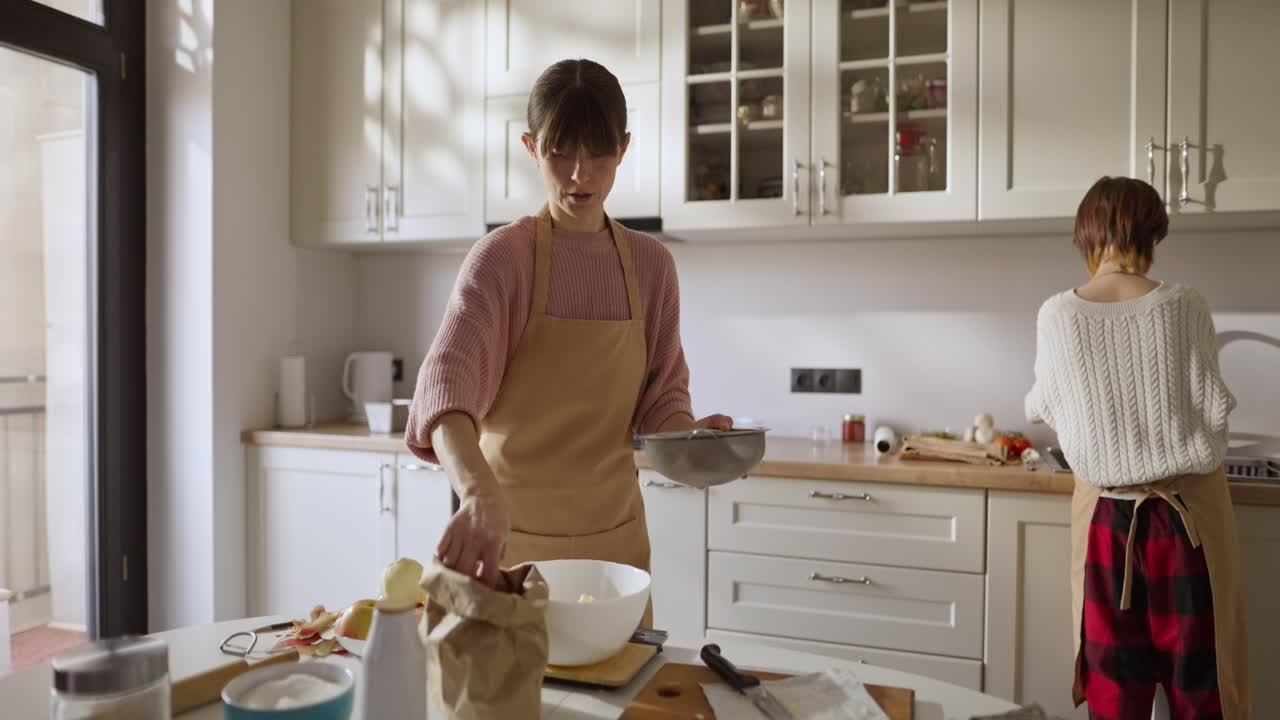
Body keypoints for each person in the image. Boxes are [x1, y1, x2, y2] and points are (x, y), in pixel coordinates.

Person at [404, 59, 730, 609]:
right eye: (561, 151)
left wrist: (692, 442)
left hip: (617, 553)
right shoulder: (503, 259)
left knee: (626, 691)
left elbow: (661, 398)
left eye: (599, 151)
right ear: (532, 147)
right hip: (509, 546)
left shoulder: (652, 266)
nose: (581, 173)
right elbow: (444, 392)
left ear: (623, 148)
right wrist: (478, 494)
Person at [1025, 177, 1250, 719]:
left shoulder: (1057, 315)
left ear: (1087, 239)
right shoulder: (1184, 305)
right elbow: (1216, 413)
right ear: (1151, 236)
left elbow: (1042, 407)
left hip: (1108, 523)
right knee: (1200, 692)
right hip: (1183, 528)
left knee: (1115, 695)